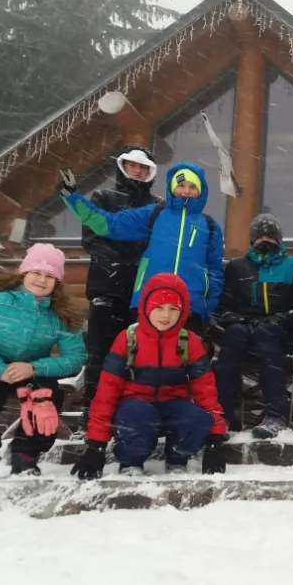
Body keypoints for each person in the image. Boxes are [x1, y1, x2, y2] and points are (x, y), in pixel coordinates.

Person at [71, 273, 227, 478]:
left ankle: (177, 460)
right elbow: (107, 392)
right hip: (134, 406)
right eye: (159, 307)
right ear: (146, 307)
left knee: (196, 418)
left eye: (173, 309)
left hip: (172, 405)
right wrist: (96, 446)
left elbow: (205, 391)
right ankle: (131, 462)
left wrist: (215, 440)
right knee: (139, 415)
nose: (166, 315)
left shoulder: (188, 341)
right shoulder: (127, 339)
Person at [0, 244, 86, 480]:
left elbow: (75, 357)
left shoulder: (62, 314)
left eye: (50, 276)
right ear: (23, 273)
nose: (42, 280)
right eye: (37, 272)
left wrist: (35, 368)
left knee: (47, 396)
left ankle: (25, 456)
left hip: (32, 369)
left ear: (57, 282)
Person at [59, 161, 224, 334]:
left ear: (201, 190)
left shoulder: (210, 225)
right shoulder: (154, 213)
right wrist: (73, 197)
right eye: (181, 185)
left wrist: (207, 308)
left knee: (185, 357)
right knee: (146, 357)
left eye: (192, 186)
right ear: (172, 188)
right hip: (150, 301)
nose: (186, 191)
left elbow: (215, 272)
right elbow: (110, 223)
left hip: (191, 305)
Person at [77, 145, 160, 437]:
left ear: (151, 172)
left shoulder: (159, 205)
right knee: (101, 354)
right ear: (122, 166)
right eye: (132, 165)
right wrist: (116, 265)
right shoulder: (103, 197)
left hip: (142, 293)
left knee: (140, 355)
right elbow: (92, 238)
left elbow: (160, 245)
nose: (137, 171)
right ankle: (92, 416)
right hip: (106, 288)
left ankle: (130, 416)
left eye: (143, 167)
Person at [213, 214, 293, 438]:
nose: (265, 240)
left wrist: (281, 319)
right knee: (234, 335)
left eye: (271, 237)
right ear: (252, 240)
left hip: (279, 330)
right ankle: (222, 414)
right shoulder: (238, 267)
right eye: (260, 236)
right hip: (244, 326)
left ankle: (276, 414)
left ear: (279, 240)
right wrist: (237, 319)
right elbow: (224, 306)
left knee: (266, 333)